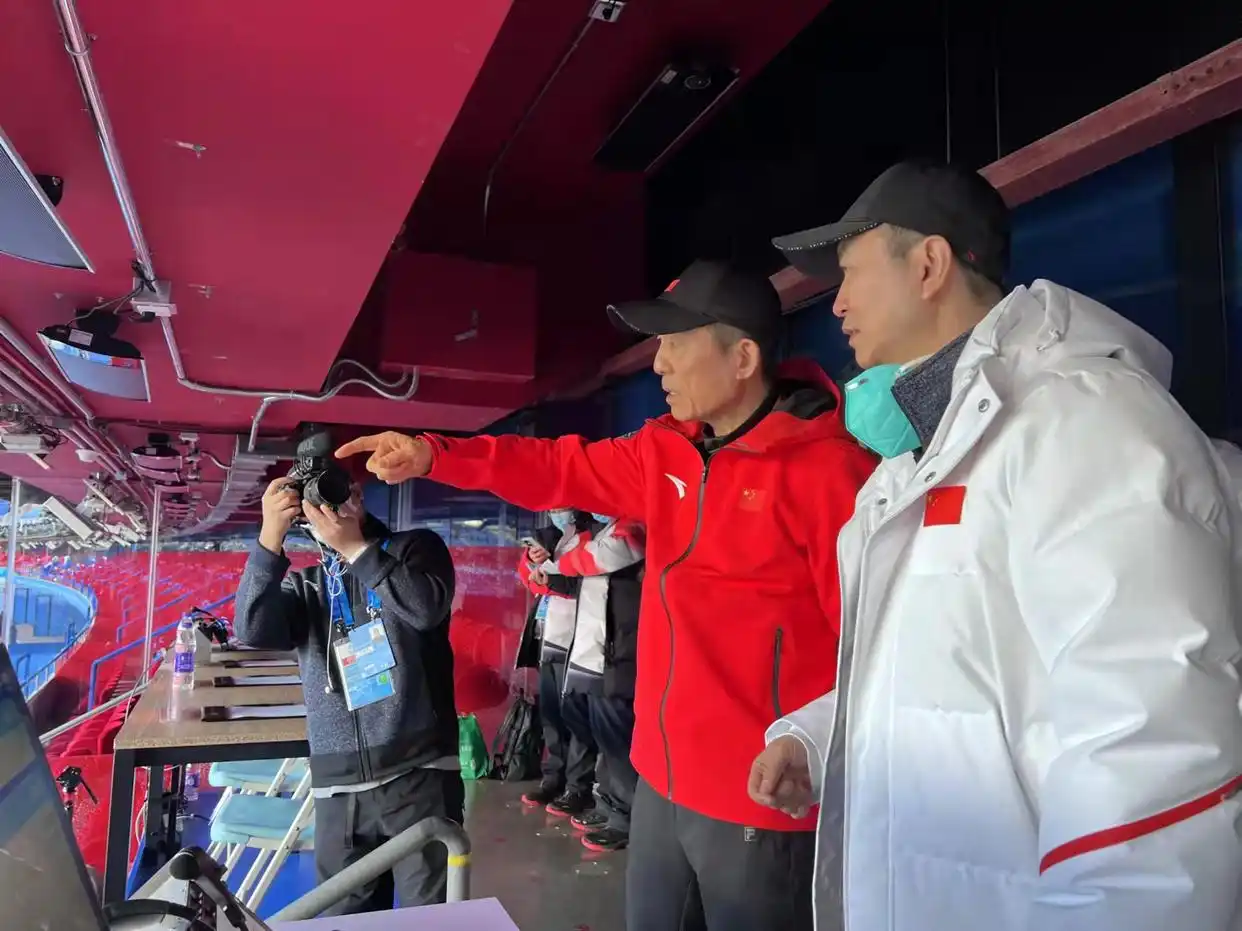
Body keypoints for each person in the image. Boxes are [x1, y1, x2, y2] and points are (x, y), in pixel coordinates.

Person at [750, 159, 1242, 930]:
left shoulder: (1084, 423)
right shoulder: (920, 457)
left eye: (850, 272)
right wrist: (818, 736)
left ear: (928, 264)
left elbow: (1151, 761)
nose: (836, 303)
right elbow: (951, 669)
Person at [337, 259, 877, 931]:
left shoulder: (832, 473)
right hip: (660, 780)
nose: (660, 364)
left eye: (675, 344)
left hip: (762, 797)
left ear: (742, 358)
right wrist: (434, 455)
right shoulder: (664, 452)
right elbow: (556, 466)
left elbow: (874, 646)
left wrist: (815, 748)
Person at [234, 465, 462, 915]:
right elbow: (252, 629)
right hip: (339, 787)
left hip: (417, 773)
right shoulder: (309, 584)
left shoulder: (415, 549)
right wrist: (269, 538)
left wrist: (356, 547)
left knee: (430, 919)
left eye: (337, 491)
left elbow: (425, 609)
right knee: (343, 920)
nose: (330, 505)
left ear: (357, 494)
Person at [543, 511, 645, 852]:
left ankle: (627, 821)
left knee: (619, 742)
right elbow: (577, 575)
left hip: (620, 655)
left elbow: (595, 560)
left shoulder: (634, 526)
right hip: (594, 656)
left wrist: (564, 559)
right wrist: (551, 569)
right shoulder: (605, 531)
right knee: (605, 737)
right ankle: (610, 806)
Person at [515, 509, 599, 815]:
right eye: (552, 508)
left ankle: (578, 788)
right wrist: (532, 560)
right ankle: (553, 780)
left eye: (561, 506)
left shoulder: (594, 537)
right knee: (551, 715)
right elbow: (529, 578)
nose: (556, 512)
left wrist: (549, 581)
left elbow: (583, 585)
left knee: (576, 719)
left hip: (579, 641)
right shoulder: (552, 536)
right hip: (549, 637)